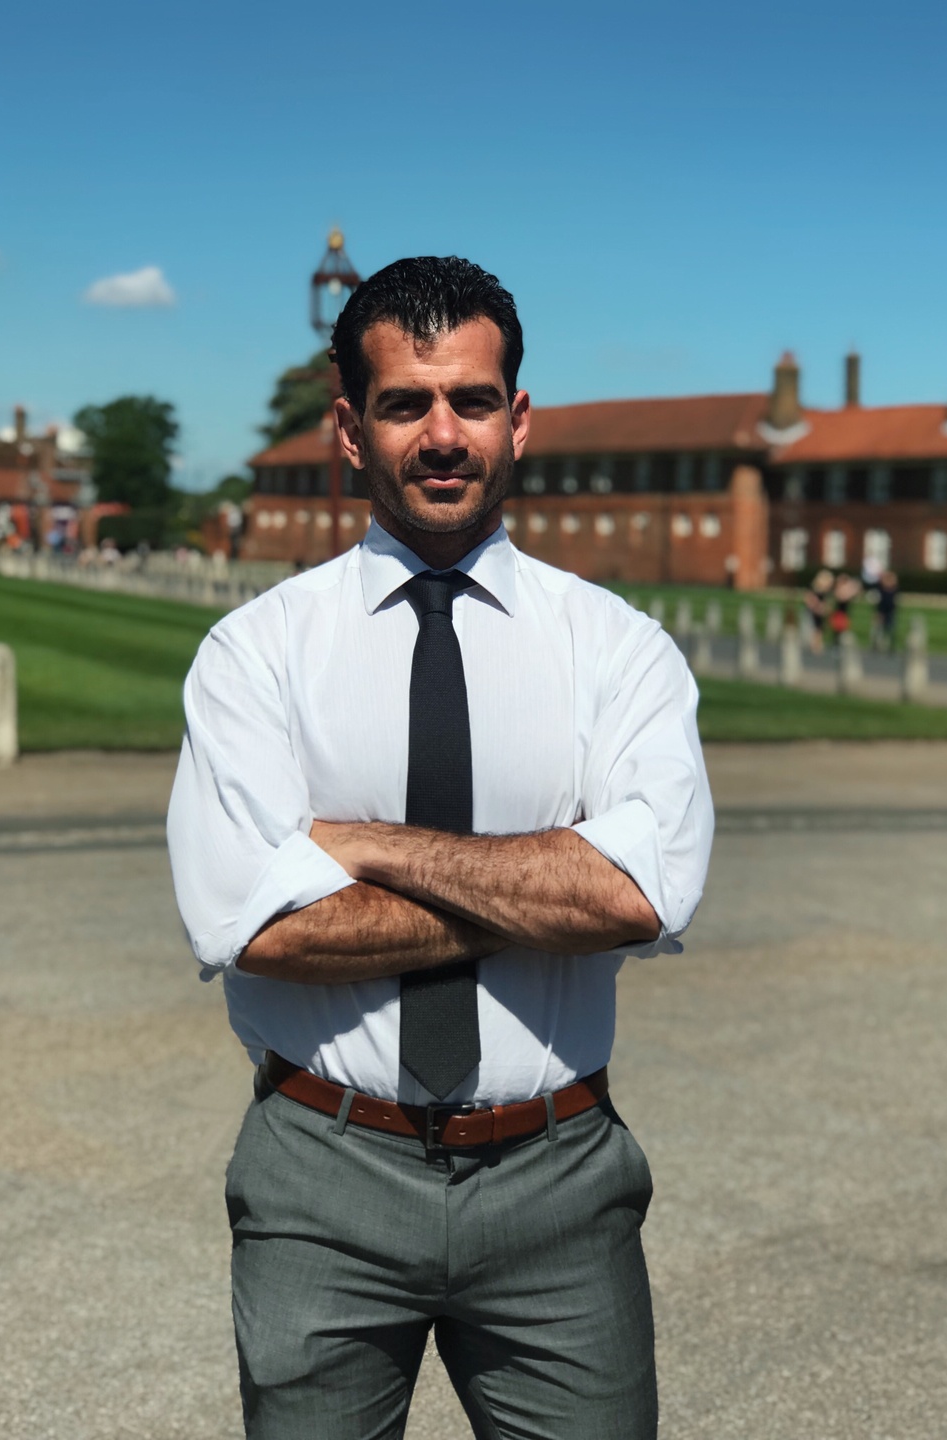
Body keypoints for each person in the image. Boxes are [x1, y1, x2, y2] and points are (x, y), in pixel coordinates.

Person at [167, 256, 714, 1440]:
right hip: (323, 1170)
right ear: (350, 430)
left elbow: (642, 895)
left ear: (519, 419)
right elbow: (257, 929)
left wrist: (364, 846)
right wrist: (546, 884)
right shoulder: (256, 655)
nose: (443, 434)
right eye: (405, 404)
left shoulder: (617, 649)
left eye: (471, 399)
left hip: (558, 1178)